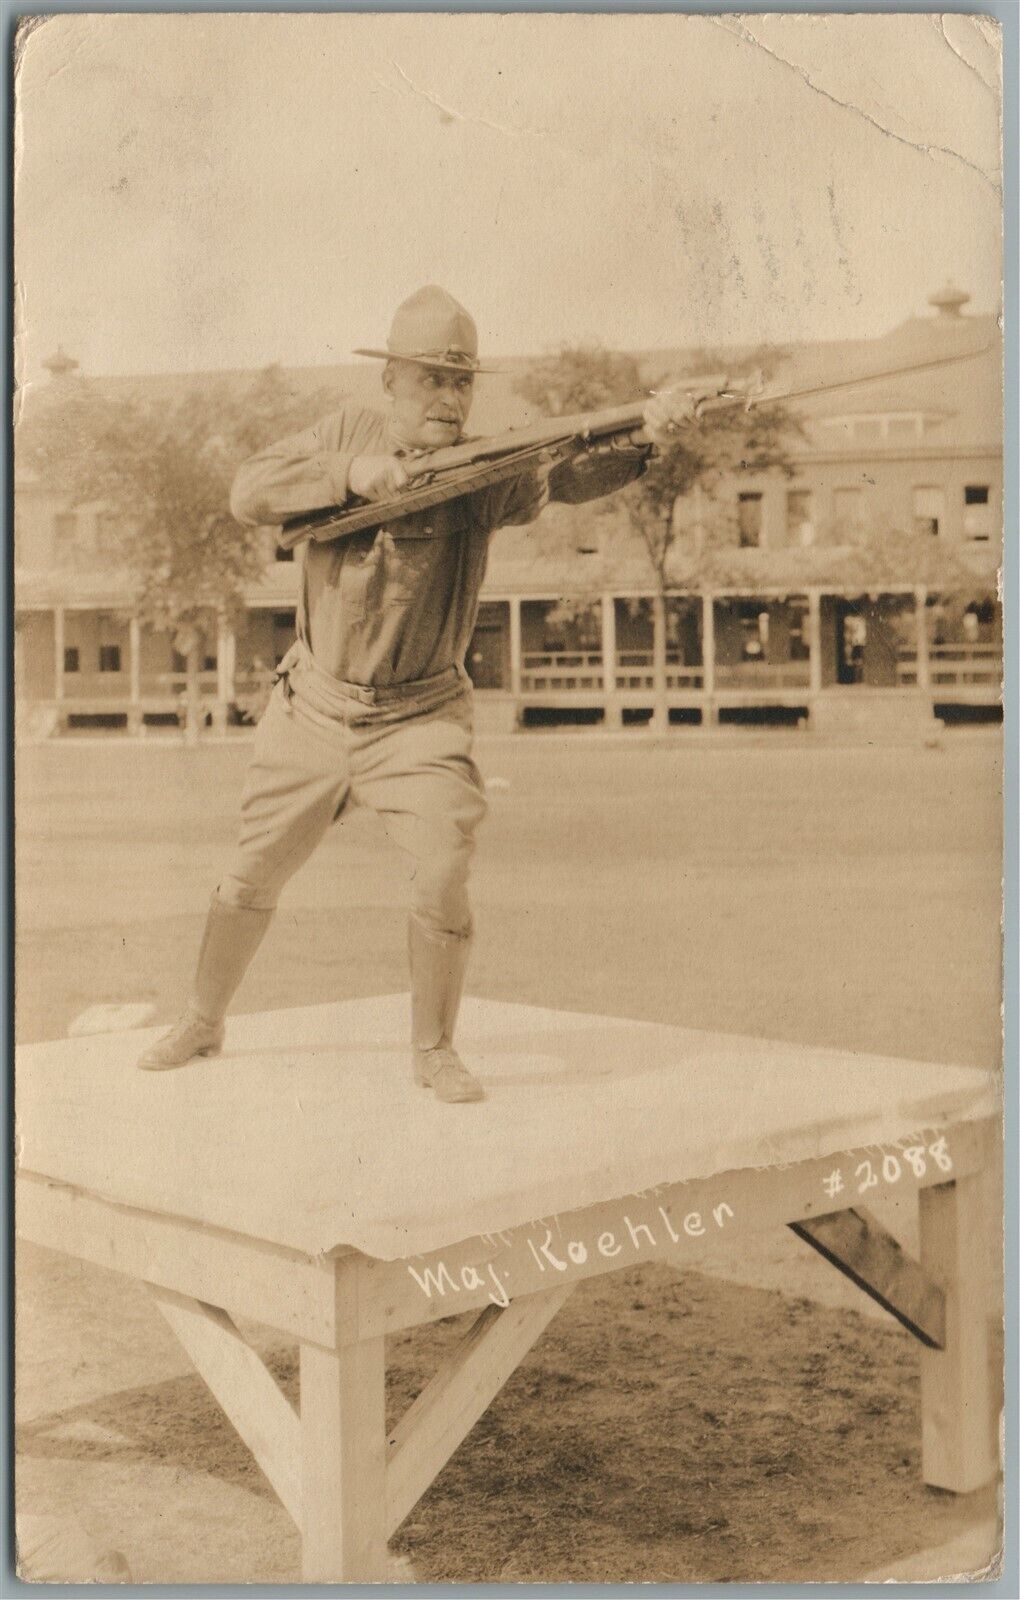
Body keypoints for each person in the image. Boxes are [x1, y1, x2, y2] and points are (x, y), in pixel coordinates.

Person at [138, 286, 692, 1101]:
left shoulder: (487, 465)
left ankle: (434, 1048)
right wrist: (353, 475)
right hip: (314, 709)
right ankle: (203, 1018)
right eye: (431, 379)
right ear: (390, 381)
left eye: (461, 382)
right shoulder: (341, 435)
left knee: (441, 870)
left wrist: (651, 431)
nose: (448, 397)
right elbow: (249, 490)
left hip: (421, 718)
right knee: (251, 873)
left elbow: (565, 475)